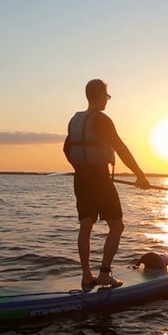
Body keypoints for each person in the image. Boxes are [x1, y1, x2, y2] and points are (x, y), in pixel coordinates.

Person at [63, 78, 151, 291]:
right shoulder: (102, 120)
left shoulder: (75, 120)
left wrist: (81, 168)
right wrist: (140, 175)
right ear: (101, 96)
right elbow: (120, 148)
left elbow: (67, 149)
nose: (107, 101)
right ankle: (104, 274)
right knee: (117, 225)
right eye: (107, 96)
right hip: (100, 179)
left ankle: (86, 276)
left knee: (86, 225)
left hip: (81, 178)